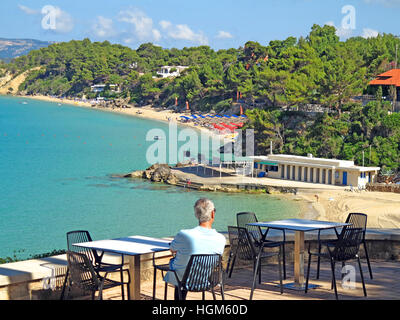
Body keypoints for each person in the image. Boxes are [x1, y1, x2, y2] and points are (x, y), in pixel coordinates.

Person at [164, 198, 226, 300]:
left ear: (196, 214)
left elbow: (172, 249)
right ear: (212, 214)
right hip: (205, 279)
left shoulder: (184, 234)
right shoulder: (221, 239)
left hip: (183, 280)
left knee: (178, 268)